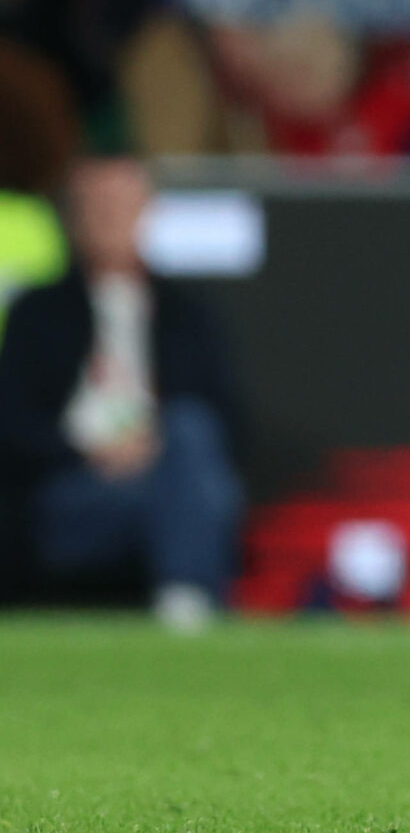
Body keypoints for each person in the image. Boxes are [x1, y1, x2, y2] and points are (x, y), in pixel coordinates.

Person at [0, 157, 244, 629]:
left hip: (168, 476)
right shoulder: (38, 311)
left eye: (121, 205)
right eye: (97, 206)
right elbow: (12, 420)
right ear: (73, 217)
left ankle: (184, 601)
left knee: (190, 436)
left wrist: (153, 448)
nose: (109, 219)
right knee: (196, 499)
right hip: (74, 489)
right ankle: (189, 601)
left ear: (147, 213)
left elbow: (229, 423)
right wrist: (91, 453)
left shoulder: (187, 316)